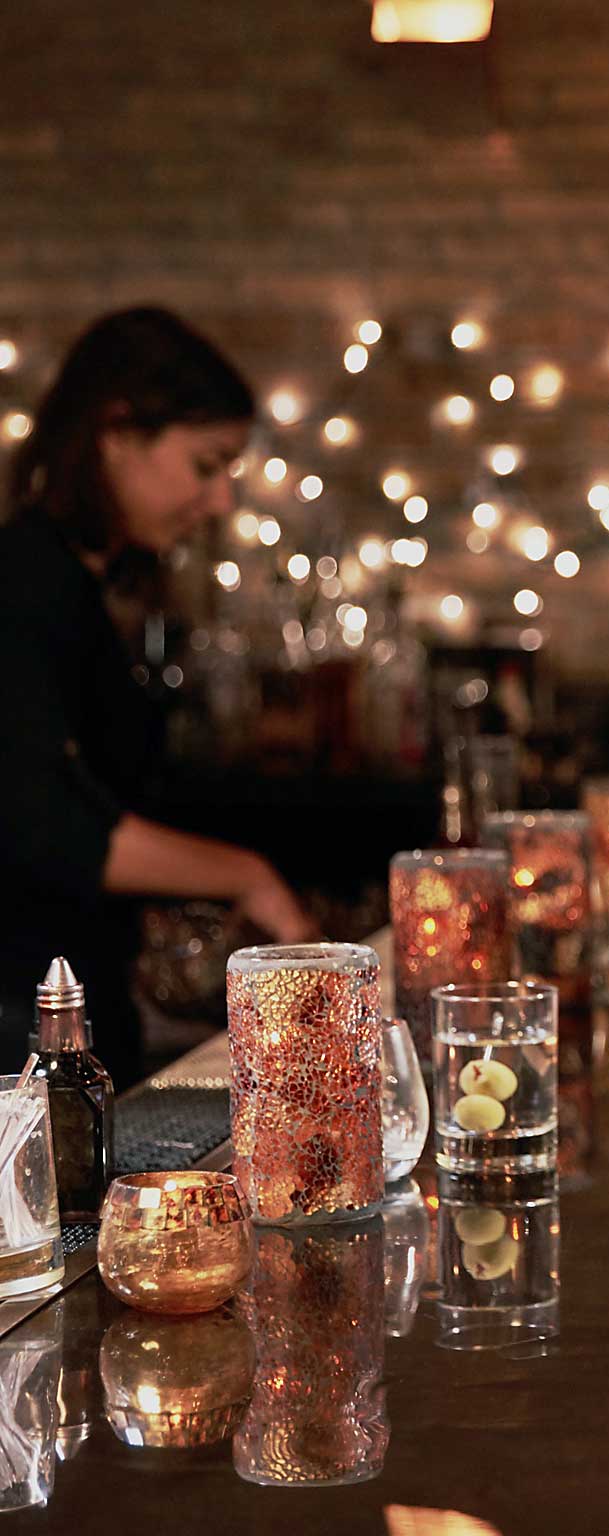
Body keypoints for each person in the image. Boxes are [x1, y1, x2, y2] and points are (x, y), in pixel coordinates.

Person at [0, 308, 314, 1085]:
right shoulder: (23, 583)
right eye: (207, 464)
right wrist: (249, 878)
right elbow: (51, 829)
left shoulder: (84, 583)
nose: (222, 502)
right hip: (25, 1039)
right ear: (115, 432)